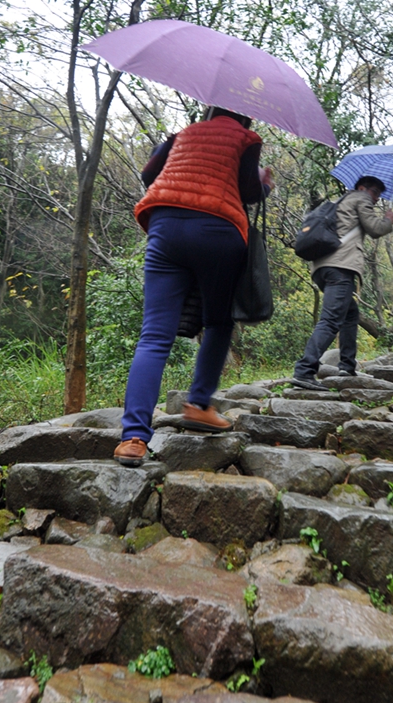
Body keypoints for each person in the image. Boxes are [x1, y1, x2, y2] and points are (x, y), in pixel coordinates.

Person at [113, 107, 274, 466]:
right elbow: (248, 191)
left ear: (211, 107)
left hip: (165, 224)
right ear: (243, 112)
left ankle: (134, 438)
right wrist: (263, 182)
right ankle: (199, 405)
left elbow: (148, 173)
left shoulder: (181, 134)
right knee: (218, 321)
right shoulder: (246, 139)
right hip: (219, 230)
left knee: (154, 335)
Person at [290, 176, 393, 390]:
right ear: (362, 188)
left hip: (322, 268)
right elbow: (375, 228)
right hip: (341, 267)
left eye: (378, 194)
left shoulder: (340, 202)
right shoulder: (360, 198)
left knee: (349, 314)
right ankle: (304, 370)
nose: (376, 198)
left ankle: (347, 365)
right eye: (375, 192)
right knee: (330, 320)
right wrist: (388, 220)